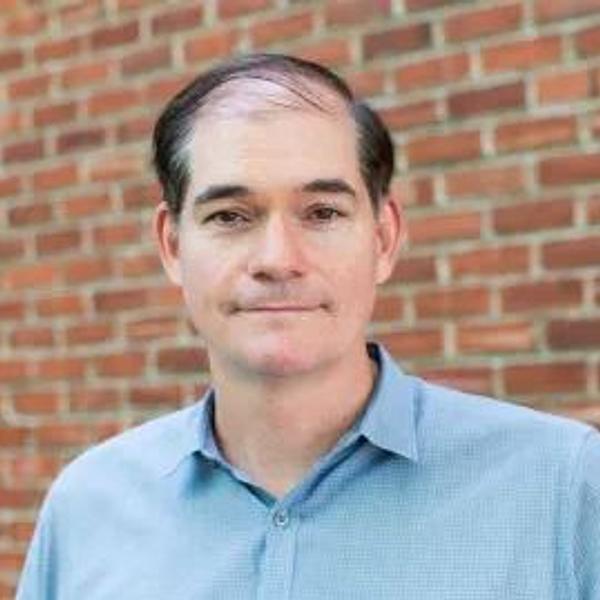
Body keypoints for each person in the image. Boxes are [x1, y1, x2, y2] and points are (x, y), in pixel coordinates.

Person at [16, 53, 600, 599]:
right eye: (230, 216)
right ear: (172, 246)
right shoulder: (86, 509)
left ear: (383, 239)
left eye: (322, 213)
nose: (278, 258)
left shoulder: (562, 487)